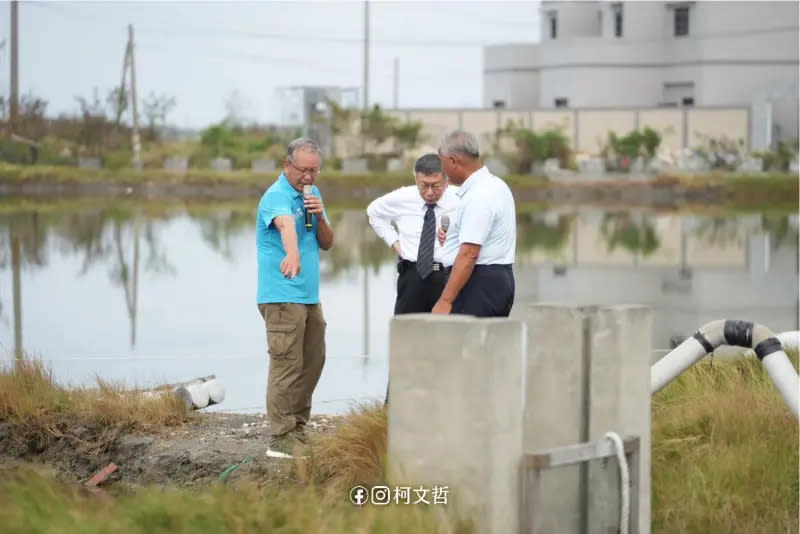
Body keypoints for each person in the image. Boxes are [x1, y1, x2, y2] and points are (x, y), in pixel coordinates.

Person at [256, 137, 334, 459]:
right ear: (287, 165)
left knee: (313, 360)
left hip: (308, 296)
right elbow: (286, 225)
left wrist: (319, 217)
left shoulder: (313, 195)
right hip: (281, 294)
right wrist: (292, 253)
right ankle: (281, 437)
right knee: (287, 364)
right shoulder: (276, 196)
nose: (308, 177)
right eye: (303, 170)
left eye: (314, 171)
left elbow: (327, 242)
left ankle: (299, 428)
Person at [367, 153, 460, 403]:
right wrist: (395, 243)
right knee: (405, 343)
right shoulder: (402, 197)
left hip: (447, 278)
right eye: (424, 186)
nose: (430, 192)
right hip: (412, 277)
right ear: (416, 179)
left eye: (436, 186)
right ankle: (395, 408)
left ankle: (439, 405)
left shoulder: (461, 200)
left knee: (445, 345)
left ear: (447, 181)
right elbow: (373, 213)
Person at [432, 130, 516, 318]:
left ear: (453, 161)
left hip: (478, 283)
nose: (442, 170)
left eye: (442, 162)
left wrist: (445, 301)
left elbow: (469, 253)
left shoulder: (479, 195)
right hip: (492, 279)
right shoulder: (495, 185)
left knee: (468, 345)